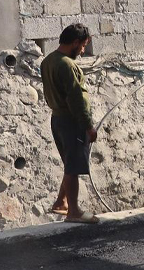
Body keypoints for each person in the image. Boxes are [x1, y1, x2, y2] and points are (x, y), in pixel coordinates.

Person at [41, 24, 100, 224]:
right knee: (73, 167)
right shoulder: (66, 64)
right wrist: (88, 126)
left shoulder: (48, 60)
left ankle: (61, 201)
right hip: (71, 121)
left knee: (69, 163)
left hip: (57, 119)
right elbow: (75, 99)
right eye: (83, 46)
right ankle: (73, 211)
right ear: (75, 42)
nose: (83, 51)